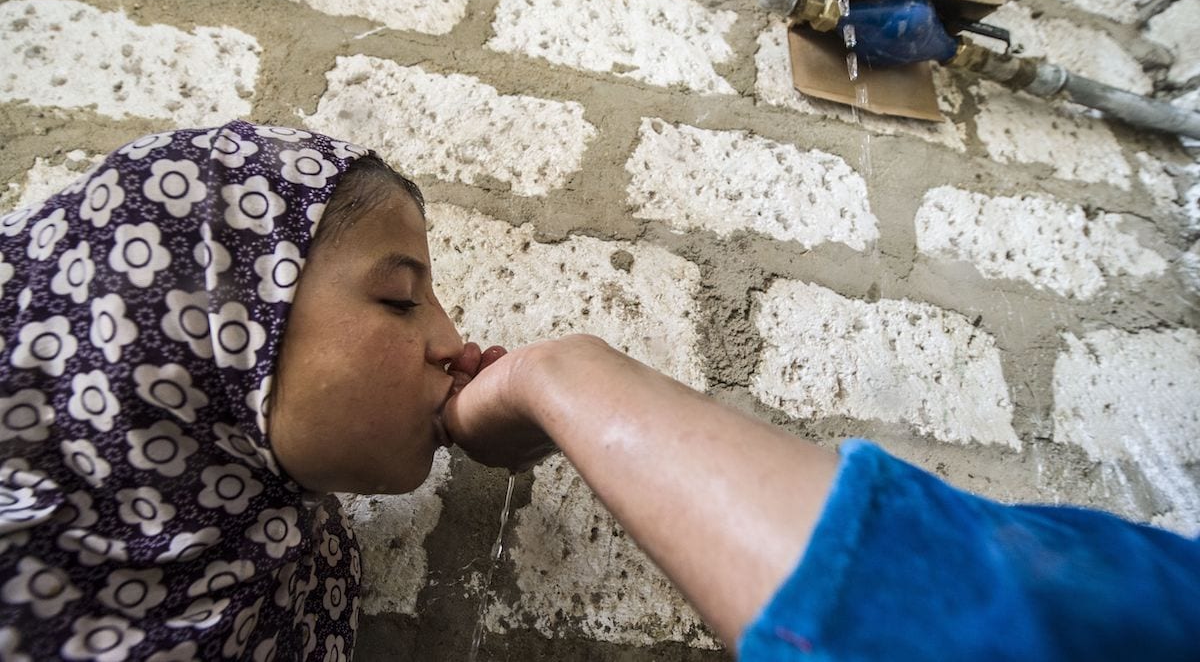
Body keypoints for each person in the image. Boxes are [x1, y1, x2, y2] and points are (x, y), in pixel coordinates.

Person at [1, 122, 1196, 661]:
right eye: (401, 294)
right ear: (207, 324)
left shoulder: (278, 580)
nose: (451, 342)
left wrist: (570, 381)